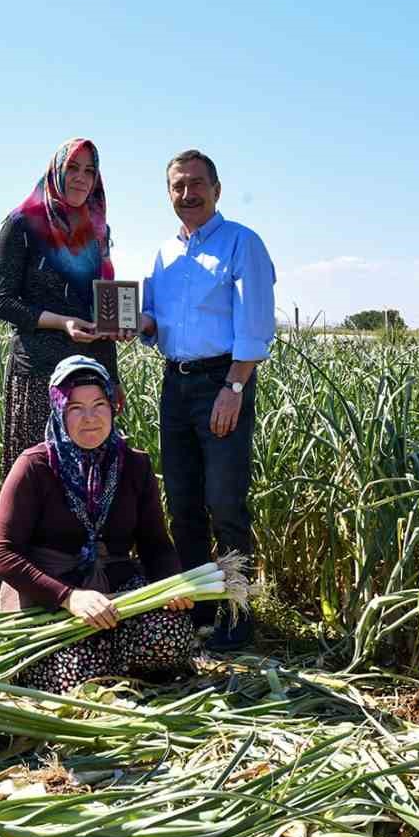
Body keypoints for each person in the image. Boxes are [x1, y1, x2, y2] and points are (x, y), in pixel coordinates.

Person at [0, 355, 197, 693]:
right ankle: (112, 671)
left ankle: (124, 670)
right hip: (50, 597)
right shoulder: (34, 466)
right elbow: (2, 555)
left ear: (114, 407)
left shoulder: (134, 465)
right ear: (58, 410)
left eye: (99, 404)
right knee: (81, 674)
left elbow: (155, 544)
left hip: (116, 592)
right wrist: (69, 598)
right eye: (75, 408)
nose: (90, 419)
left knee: (171, 638)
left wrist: (168, 584)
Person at [140, 149, 276, 650]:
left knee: (225, 501)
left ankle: (238, 616)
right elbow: (153, 319)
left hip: (223, 382)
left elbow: (256, 323)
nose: (187, 194)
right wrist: (133, 321)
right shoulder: (164, 254)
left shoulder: (242, 243)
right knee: (183, 503)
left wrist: (235, 387)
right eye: (177, 186)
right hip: (175, 384)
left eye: (196, 184)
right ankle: (200, 611)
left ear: (216, 189)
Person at [0, 137, 121, 473]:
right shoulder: (22, 223)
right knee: (39, 475)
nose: (81, 177)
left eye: (89, 171)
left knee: (87, 478)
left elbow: (101, 309)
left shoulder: (98, 231)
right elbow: (4, 302)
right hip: (39, 373)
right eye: (73, 168)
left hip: (88, 379)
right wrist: (61, 322)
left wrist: (114, 378)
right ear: (56, 171)